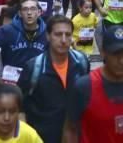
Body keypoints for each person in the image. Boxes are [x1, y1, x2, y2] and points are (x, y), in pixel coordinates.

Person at [18, 15, 90, 143]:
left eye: (68, 35)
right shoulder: (33, 67)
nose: (63, 40)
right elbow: (20, 106)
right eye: (58, 34)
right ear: (48, 36)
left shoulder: (82, 62)